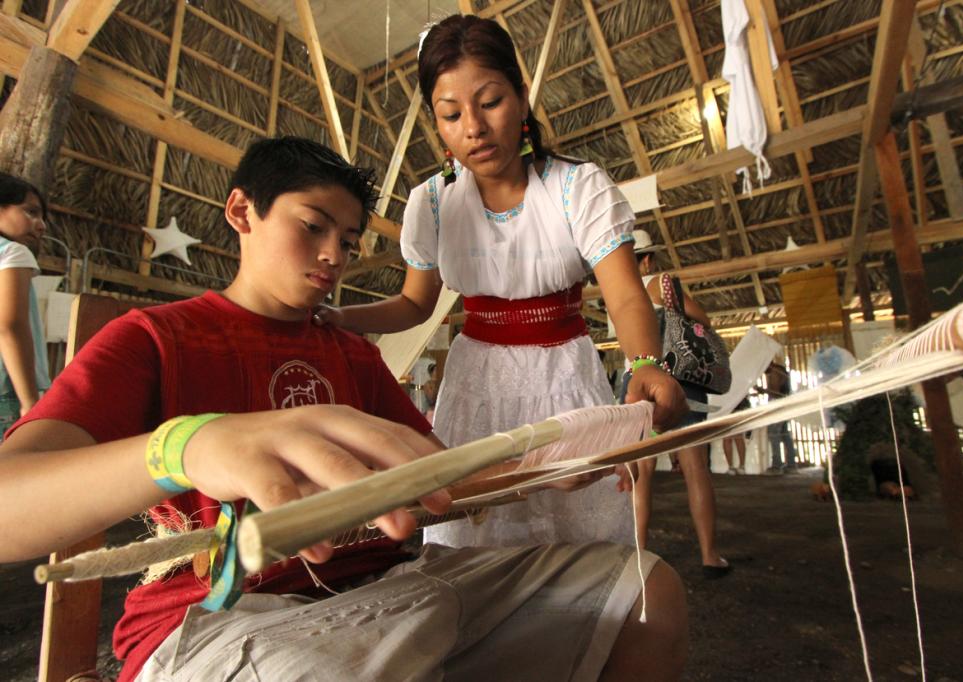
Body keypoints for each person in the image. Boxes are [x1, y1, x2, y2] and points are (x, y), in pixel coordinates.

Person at [0, 137, 688, 681]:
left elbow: (433, 476)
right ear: (243, 212)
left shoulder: (350, 354)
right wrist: (185, 444)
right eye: (314, 226)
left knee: (641, 593)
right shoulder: (156, 338)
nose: (334, 256)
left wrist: (541, 465)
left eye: (350, 242)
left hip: (389, 596)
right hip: (220, 619)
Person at [317, 15, 685, 548]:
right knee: (475, 536)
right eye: (451, 113)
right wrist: (343, 318)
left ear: (521, 94)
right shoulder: (434, 202)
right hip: (476, 387)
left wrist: (647, 363)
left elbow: (625, 293)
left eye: (490, 102)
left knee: (575, 538)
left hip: (564, 378)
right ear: (437, 123)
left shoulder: (576, 187)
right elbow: (415, 305)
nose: (474, 127)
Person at [625, 229, 731, 578]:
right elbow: (703, 319)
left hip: (636, 385)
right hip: (678, 382)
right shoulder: (659, 283)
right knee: (695, 469)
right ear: (648, 259)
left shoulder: (618, 294)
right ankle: (709, 555)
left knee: (642, 474)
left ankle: (638, 553)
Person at [0, 173, 51, 439]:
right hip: (6, 394)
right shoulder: (11, 253)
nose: (41, 225)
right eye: (30, 212)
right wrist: (30, 402)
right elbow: (10, 327)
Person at [763, 361, 798, 472]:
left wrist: (762, 390)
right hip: (784, 405)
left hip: (777, 406)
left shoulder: (774, 372)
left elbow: (775, 392)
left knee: (773, 434)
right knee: (785, 435)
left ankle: (777, 464)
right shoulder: (781, 370)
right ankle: (791, 463)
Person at [723, 396, 752, 475]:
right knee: (727, 438)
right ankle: (731, 466)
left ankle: (742, 465)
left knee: (738, 437)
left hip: (739, 406)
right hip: (726, 407)